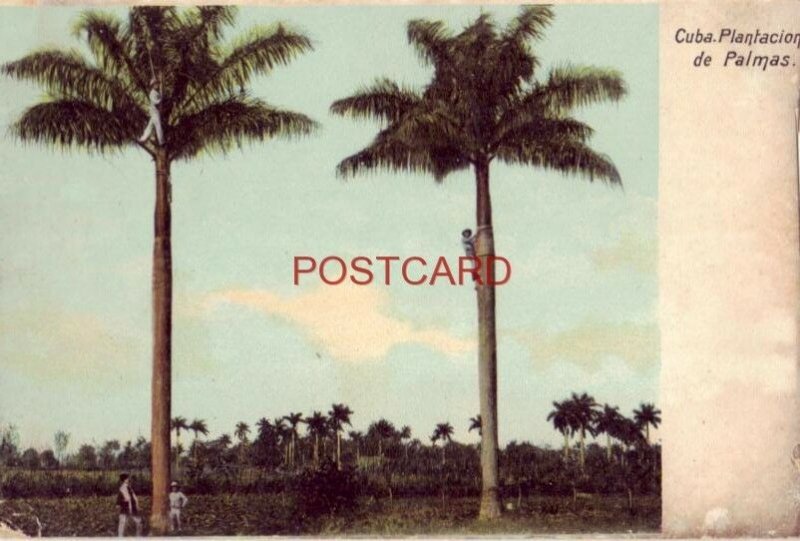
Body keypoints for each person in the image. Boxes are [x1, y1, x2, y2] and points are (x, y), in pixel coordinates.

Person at [138, 78, 164, 145]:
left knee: (150, 126)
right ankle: (161, 142)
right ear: (153, 85)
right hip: (154, 112)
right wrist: (161, 99)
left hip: (154, 112)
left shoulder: (156, 92)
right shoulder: (152, 93)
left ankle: (143, 138)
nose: (157, 85)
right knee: (158, 126)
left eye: (157, 84)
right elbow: (156, 102)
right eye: (155, 84)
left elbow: (158, 99)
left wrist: (160, 96)